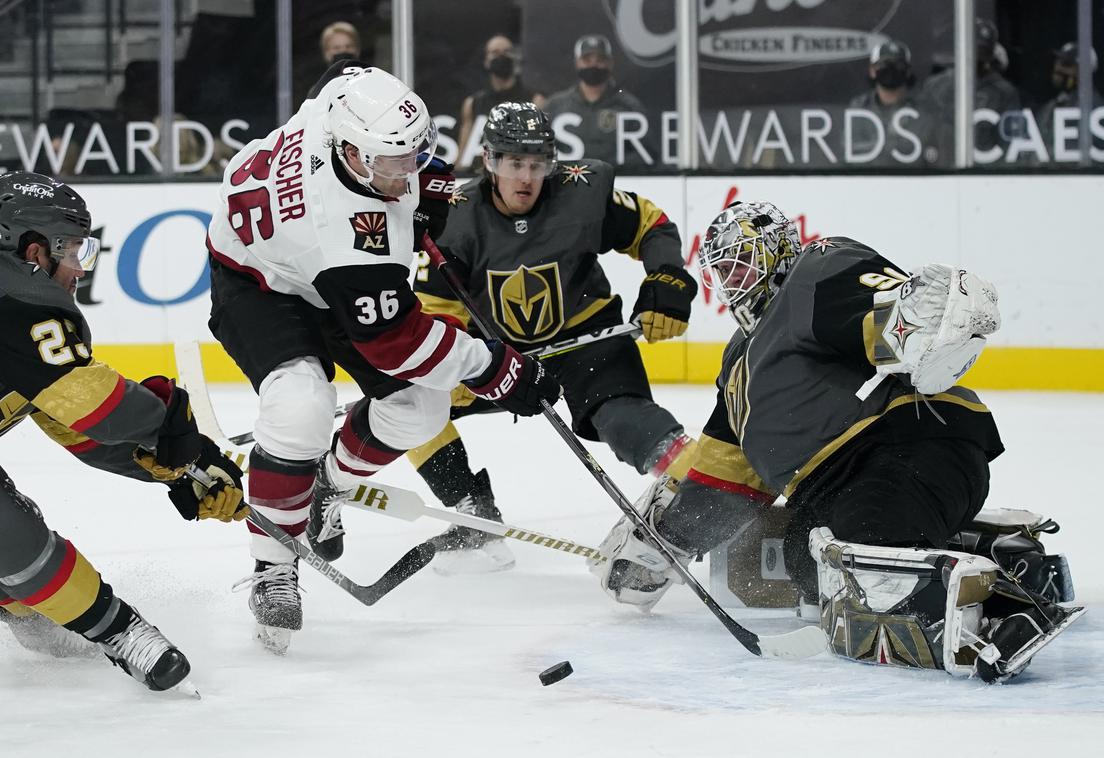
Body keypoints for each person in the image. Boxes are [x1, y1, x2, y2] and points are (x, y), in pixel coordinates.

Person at [590, 200, 1082, 682]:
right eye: (726, 274)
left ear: (777, 250)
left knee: (864, 542)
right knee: (812, 563)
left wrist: (918, 316)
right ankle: (1003, 555)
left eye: (743, 266)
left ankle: (1009, 612)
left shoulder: (815, 272)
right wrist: (664, 543)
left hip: (909, 446)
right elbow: (725, 479)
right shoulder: (738, 362)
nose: (734, 284)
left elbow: (884, 311)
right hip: (838, 488)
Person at [206, 64, 560, 652]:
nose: (407, 174)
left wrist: (424, 182)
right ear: (349, 154)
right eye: (393, 165)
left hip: (320, 271)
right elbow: (395, 341)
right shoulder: (340, 233)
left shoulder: (351, 101)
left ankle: (322, 484)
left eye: (414, 156)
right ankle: (273, 563)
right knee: (300, 410)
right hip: (261, 280)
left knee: (421, 411)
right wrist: (494, 368)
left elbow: (351, 86)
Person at [0, 171, 247, 694]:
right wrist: (176, 429)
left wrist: (177, 470)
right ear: (34, 250)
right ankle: (123, 634)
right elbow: (99, 408)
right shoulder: (6, 303)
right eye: (73, 250)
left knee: (7, 521)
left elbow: (75, 425)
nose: (80, 267)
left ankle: (44, 618)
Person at [411, 102, 698, 572]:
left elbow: (651, 225)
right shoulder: (453, 218)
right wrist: (454, 363)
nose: (526, 178)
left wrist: (667, 280)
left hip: (588, 336)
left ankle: (701, 483)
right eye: (512, 163)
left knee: (623, 419)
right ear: (488, 161)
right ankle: (473, 515)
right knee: (412, 398)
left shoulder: (582, 190)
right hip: (501, 357)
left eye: (536, 164)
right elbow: (437, 309)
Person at [916, 18, 1021, 164]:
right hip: (939, 168)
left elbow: (1012, 144)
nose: (975, 56)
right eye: (971, 48)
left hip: (987, 171)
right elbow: (921, 131)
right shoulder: (935, 86)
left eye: (982, 50)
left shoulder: (1005, 93)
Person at [544, 35, 649, 164]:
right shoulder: (556, 106)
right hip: (569, 180)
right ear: (577, 62)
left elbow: (647, 155)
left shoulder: (629, 107)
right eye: (587, 60)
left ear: (610, 63)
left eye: (600, 59)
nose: (594, 65)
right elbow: (542, 151)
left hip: (617, 180)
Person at [456, 35, 545, 168]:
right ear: (486, 61)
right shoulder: (473, 103)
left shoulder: (534, 101)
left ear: (514, 58)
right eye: (495, 53)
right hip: (478, 176)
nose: (501, 57)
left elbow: (539, 150)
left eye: (506, 52)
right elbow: (463, 158)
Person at [848, 40, 932, 167]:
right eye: (884, 64)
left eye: (898, 65)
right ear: (872, 70)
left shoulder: (922, 110)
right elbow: (849, 150)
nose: (891, 69)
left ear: (908, 71)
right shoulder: (858, 108)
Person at [1035, 42, 1102, 161]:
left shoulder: (1093, 108)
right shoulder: (1054, 104)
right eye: (1057, 61)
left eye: (1066, 64)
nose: (1057, 67)